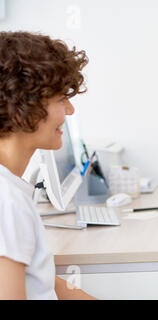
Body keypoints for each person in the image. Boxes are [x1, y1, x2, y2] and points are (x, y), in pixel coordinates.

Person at [0, 31, 95, 299]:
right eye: (61, 99)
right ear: (22, 106)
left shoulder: (12, 190)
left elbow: (45, 282)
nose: (70, 111)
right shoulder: (6, 201)